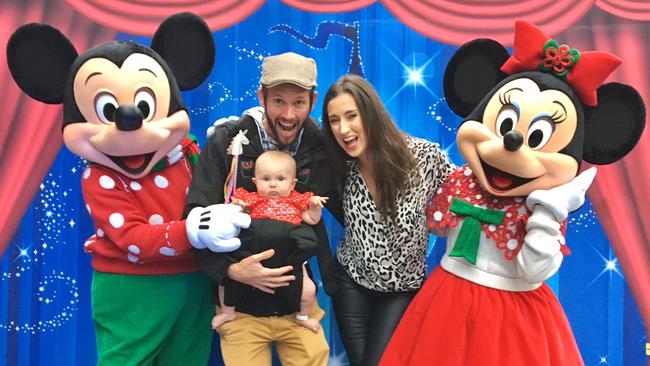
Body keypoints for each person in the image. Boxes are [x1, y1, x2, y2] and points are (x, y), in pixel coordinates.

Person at [184, 52, 340, 366]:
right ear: (262, 96)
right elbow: (197, 216)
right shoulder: (227, 142)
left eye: (299, 102)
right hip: (242, 307)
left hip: (296, 303)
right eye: (279, 101)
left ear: (312, 100)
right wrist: (230, 270)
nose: (288, 113)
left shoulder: (322, 148)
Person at [321, 74, 455, 366]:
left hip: (402, 290)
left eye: (351, 116)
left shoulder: (422, 157)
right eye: (334, 120)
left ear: (371, 113)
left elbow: (465, 192)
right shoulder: (340, 167)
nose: (343, 129)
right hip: (352, 282)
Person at [212, 150, 328, 333]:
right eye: (266, 179)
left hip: (287, 258)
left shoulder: (296, 200)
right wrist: (239, 207)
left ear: (292, 184)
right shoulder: (252, 200)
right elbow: (236, 218)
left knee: (308, 290)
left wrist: (314, 206)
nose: (273, 184)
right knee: (226, 283)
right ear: (255, 182)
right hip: (253, 256)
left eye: (280, 179)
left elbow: (312, 220)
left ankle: (303, 317)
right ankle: (228, 312)